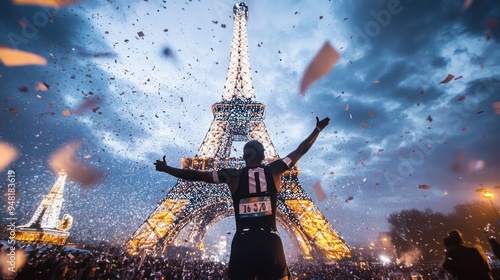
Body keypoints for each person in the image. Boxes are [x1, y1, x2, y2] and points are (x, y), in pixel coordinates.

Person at [154, 117, 330, 280]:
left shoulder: (233, 175)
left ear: (244, 157)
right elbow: (301, 150)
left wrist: (167, 168)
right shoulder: (274, 170)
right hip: (270, 243)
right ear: (263, 156)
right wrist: (317, 129)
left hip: (243, 244)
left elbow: (197, 175)